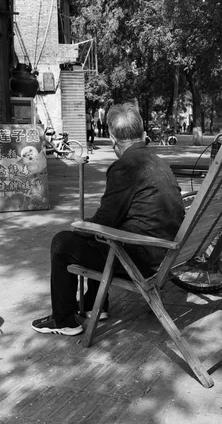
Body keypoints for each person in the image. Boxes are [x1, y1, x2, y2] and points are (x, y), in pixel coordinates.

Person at [31, 103, 185, 336]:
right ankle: (95, 303)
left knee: (63, 243)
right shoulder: (159, 162)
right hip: (168, 252)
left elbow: (105, 221)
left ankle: (63, 319)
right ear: (142, 133)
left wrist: (79, 228)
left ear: (113, 139)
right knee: (100, 237)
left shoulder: (125, 166)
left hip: (145, 259)